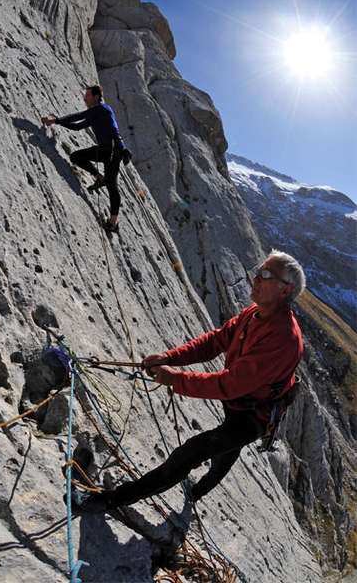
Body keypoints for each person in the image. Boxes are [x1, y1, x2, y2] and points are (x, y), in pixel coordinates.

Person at [72, 250, 306, 512]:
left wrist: (175, 379)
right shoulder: (255, 313)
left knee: (195, 452)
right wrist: (170, 357)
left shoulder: (283, 338)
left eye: (265, 275)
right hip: (240, 401)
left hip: (254, 416)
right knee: (225, 448)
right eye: (257, 270)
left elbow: (230, 384)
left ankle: (116, 499)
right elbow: (216, 341)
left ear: (285, 290)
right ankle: (199, 488)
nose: (255, 278)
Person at [42, 85, 129, 233]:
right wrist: (59, 121)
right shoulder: (94, 114)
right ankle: (99, 177)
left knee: (112, 185)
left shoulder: (102, 109)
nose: (85, 98)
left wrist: (56, 121)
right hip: (104, 149)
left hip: (113, 150)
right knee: (76, 157)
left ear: (96, 97)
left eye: (88, 95)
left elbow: (78, 116)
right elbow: (77, 126)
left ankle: (113, 222)